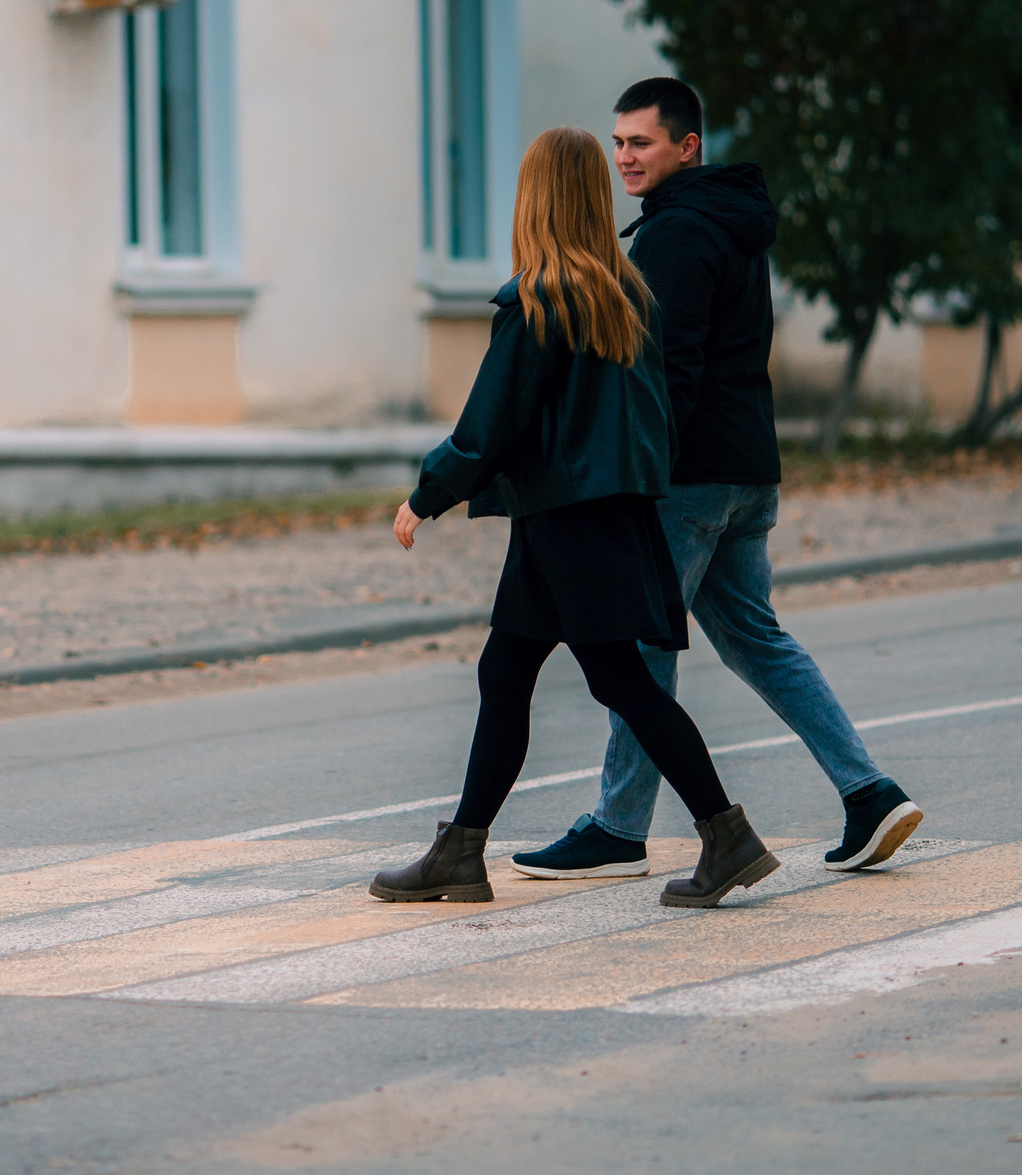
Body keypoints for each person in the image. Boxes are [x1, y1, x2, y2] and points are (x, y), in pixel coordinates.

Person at [509, 77, 924, 883]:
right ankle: (869, 793)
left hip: (688, 479)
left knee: (639, 643)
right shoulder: (730, 223)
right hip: (747, 470)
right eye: (620, 141)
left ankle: (619, 827)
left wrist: (638, 474)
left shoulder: (674, 235)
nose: (624, 156)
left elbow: (670, 371)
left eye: (642, 142)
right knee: (756, 638)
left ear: (687, 147)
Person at [371, 127, 782, 912]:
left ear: (537, 199)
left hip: (567, 522)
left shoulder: (539, 300)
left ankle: (727, 836)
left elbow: (490, 424)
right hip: (596, 516)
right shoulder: (626, 295)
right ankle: (461, 850)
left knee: (620, 681)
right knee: (513, 671)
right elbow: (652, 415)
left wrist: (427, 493)